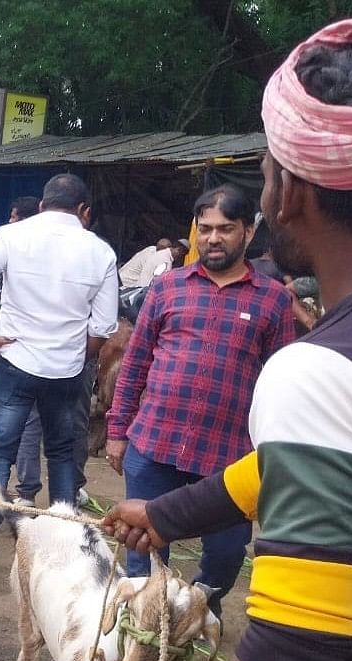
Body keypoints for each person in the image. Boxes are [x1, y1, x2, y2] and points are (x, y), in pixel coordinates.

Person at [104, 19, 352, 661]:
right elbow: (314, 462)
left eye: (263, 176)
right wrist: (168, 514)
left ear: (289, 194)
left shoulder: (318, 371)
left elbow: (293, 650)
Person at [107, 184, 295, 616]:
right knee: (144, 547)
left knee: (228, 552)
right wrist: (118, 432)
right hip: (155, 443)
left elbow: (282, 381)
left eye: (225, 229)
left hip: (227, 455)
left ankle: (195, 610)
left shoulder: (272, 299)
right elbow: (135, 363)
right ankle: (143, 627)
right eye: (204, 228)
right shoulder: (167, 288)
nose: (213, 238)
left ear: (248, 232)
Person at [0, 173, 118, 570]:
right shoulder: (99, 251)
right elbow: (103, 327)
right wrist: (75, 355)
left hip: (15, 362)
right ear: (83, 210)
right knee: (64, 456)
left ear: (45, 202)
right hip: (67, 372)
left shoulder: (10, 235)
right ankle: (66, 549)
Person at [118, 236, 190, 288]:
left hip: (124, 280)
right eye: (182, 255)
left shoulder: (153, 250)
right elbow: (157, 284)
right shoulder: (165, 261)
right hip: (127, 285)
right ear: (180, 250)